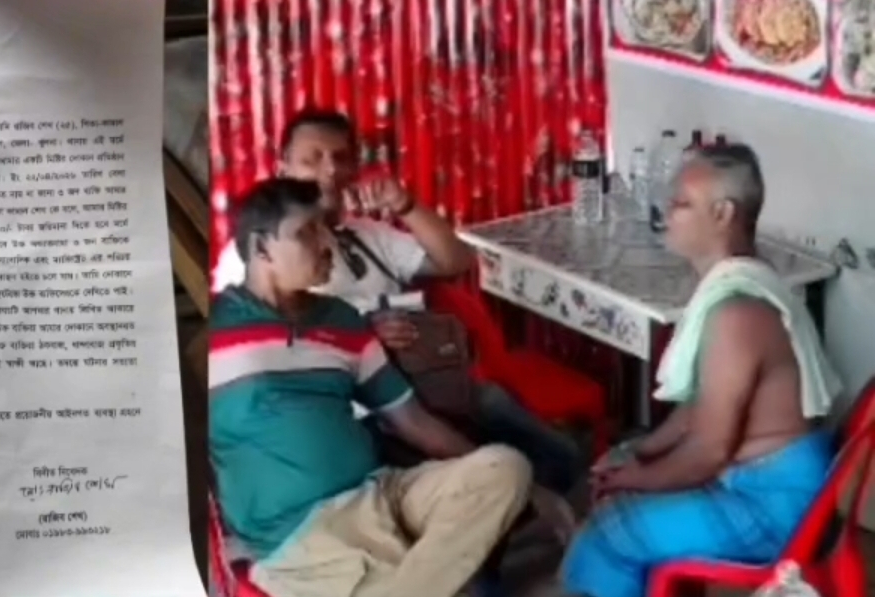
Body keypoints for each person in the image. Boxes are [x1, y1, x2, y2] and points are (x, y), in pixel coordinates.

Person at [212, 108, 583, 497]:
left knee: (540, 443)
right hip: (358, 412)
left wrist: (405, 204)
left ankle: (558, 496)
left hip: (428, 380)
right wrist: (359, 335)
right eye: (312, 159)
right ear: (283, 167)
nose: (330, 170)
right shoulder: (256, 255)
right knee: (477, 473)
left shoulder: (367, 235)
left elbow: (457, 260)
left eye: (340, 158)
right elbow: (255, 352)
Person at [210, 178, 533, 597]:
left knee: (505, 468)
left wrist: (531, 492)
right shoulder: (213, 330)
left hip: (382, 491)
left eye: (324, 227)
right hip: (300, 535)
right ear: (262, 249)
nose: (326, 243)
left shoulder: (342, 319)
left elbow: (412, 421)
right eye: (306, 233)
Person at [560, 144, 844, 597]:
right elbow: (699, 408)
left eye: (681, 203)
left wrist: (637, 478)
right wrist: (642, 452)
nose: (667, 214)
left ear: (722, 213)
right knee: (621, 473)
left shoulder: (736, 313)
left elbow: (708, 451)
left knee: (608, 534)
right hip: (765, 484)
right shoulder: (744, 282)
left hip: (772, 506)